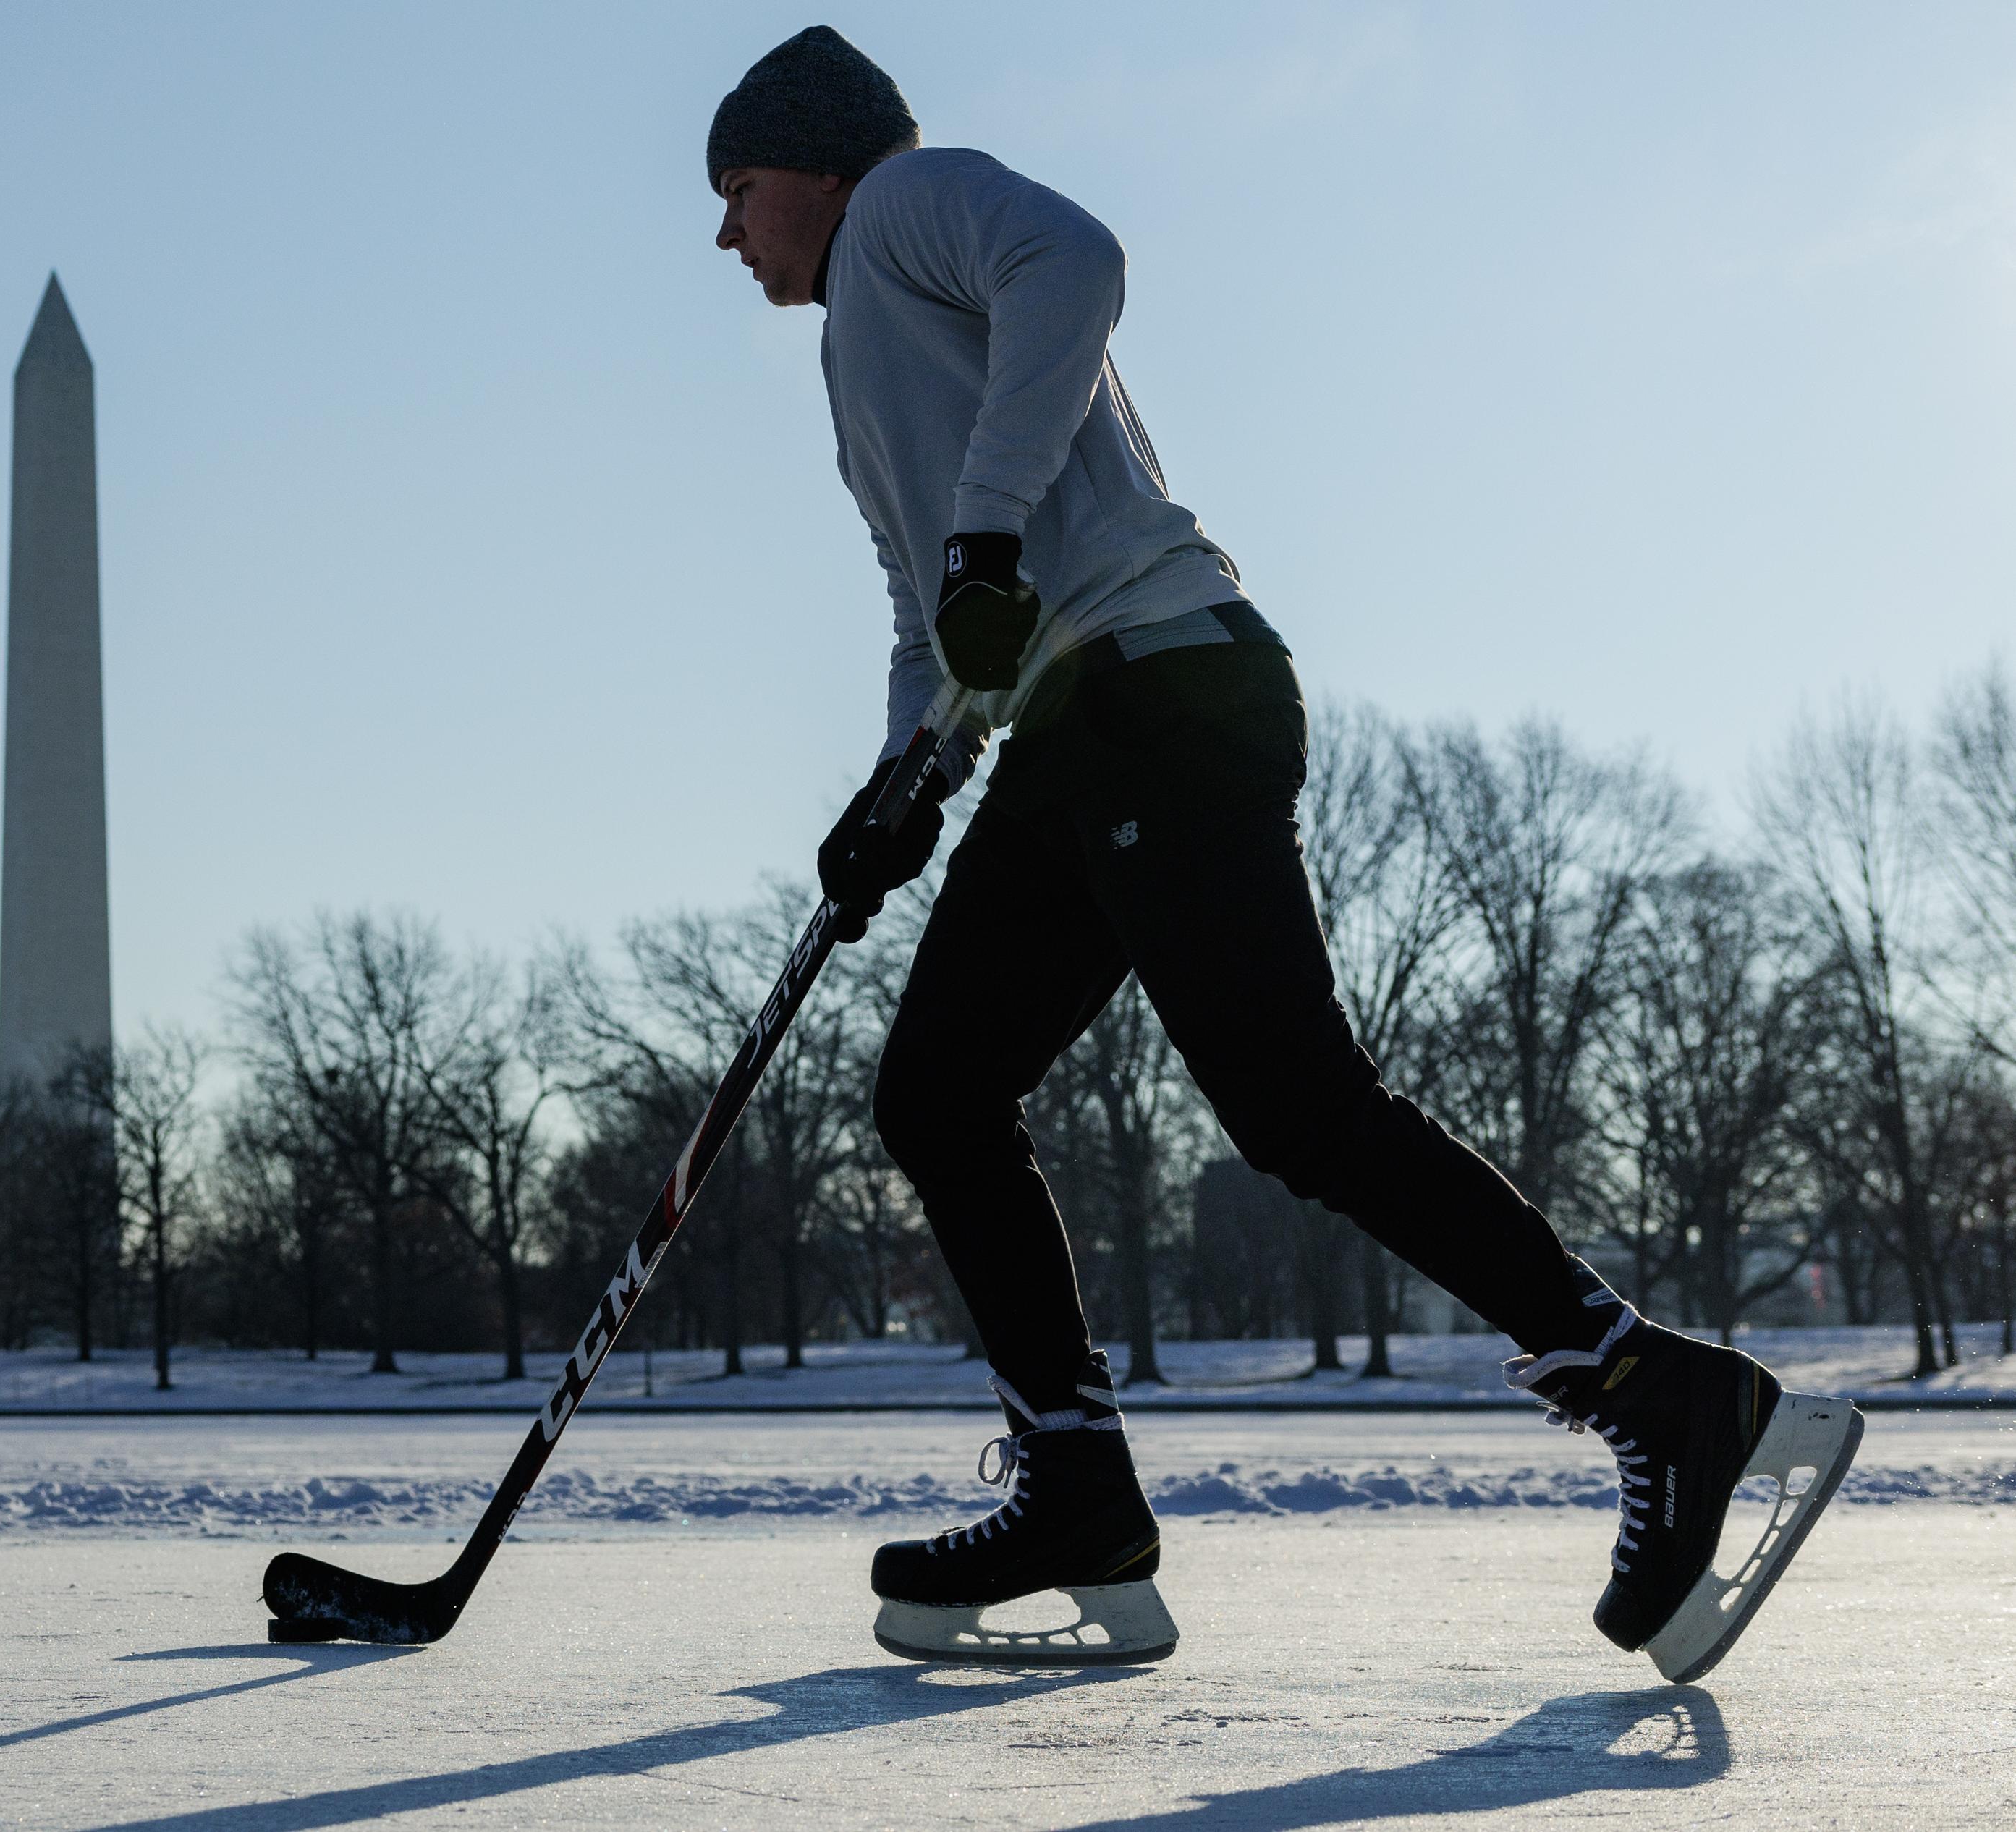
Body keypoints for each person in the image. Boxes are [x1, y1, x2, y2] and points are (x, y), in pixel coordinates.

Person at [704, 25, 1860, 1681]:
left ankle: (1654, 1389)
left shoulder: (905, 204)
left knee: (1298, 1106)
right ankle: (1077, 1489)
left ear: (811, 164)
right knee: (939, 1091)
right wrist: (900, 788)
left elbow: (1077, 259)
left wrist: (979, 542)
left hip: (1161, 692)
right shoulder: (858, 359)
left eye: (736, 191)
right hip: (1076, 729)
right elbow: (941, 622)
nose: (727, 234)